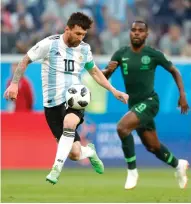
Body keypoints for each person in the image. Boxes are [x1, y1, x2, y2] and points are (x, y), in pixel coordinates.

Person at [4, 12, 129, 185]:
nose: (80, 38)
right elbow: (25, 60)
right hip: (52, 105)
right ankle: (90, 152)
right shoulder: (50, 44)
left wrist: (114, 91)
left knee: (69, 124)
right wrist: (14, 84)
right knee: (75, 154)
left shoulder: (84, 49)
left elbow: (94, 72)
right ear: (67, 29)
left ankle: (56, 168)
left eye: (83, 35)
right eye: (77, 33)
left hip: (75, 97)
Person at [102, 20, 189, 190]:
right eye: (133, 30)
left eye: (140, 31)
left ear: (146, 35)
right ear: (130, 33)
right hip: (134, 106)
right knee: (153, 146)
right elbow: (104, 78)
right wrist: (106, 71)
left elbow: (174, 70)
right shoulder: (121, 54)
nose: (136, 33)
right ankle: (179, 165)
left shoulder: (153, 54)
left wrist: (182, 94)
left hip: (150, 102)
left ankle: (132, 171)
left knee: (122, 128)